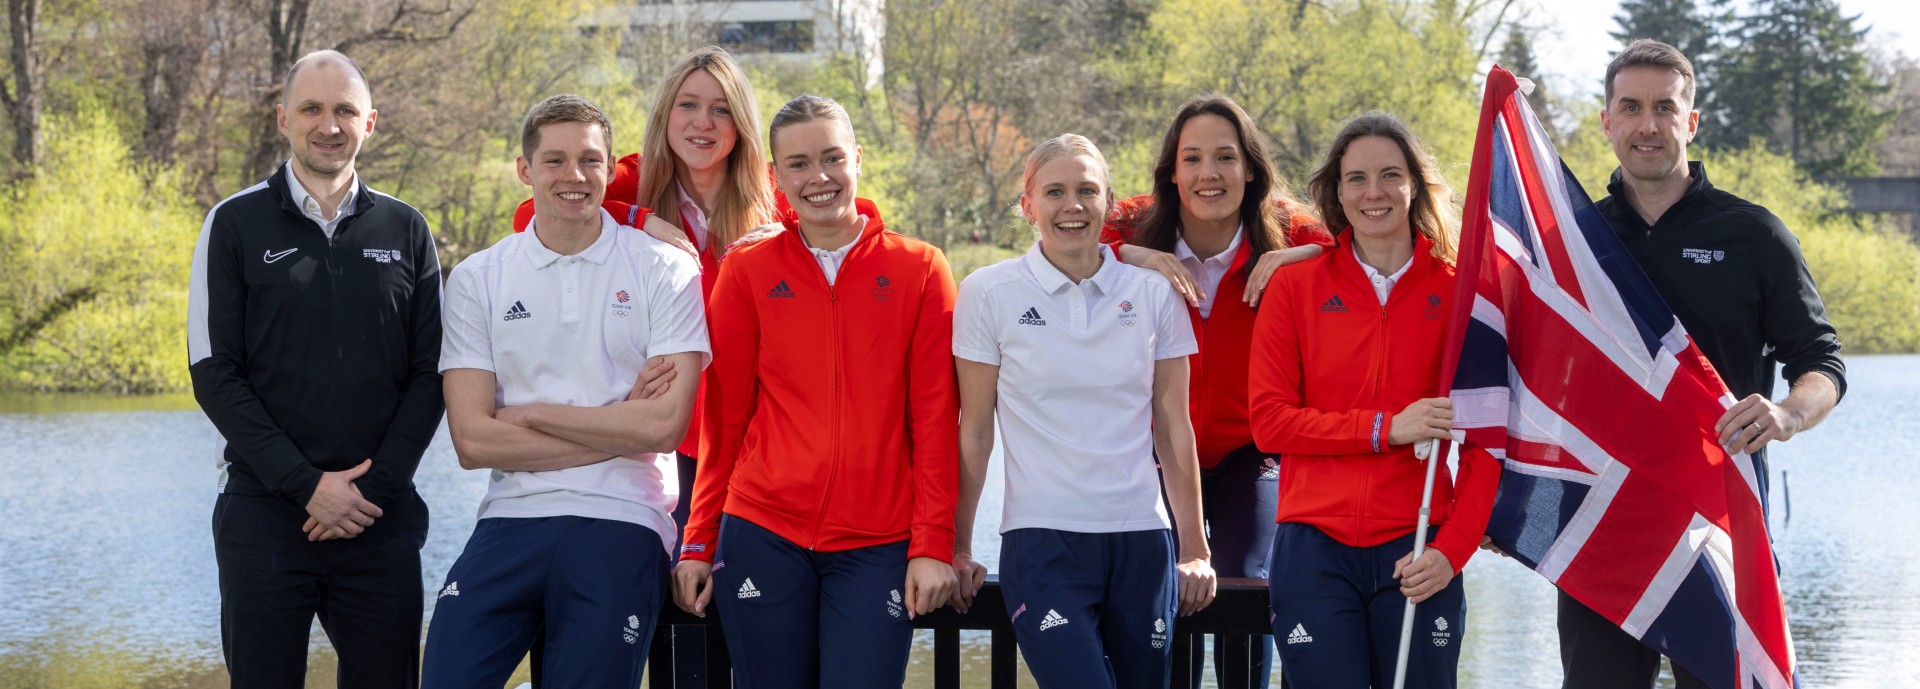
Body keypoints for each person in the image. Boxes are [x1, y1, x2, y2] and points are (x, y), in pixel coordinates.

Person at [1556, 39, 1846, 689]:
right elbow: (1532, 378)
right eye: (1630, 107)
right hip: (1604, 525)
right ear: (1607, 121)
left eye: (1666, 107)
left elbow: (1823, 361)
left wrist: (1787, 412)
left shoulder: (1754, 235)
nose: (1647, 124)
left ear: (1690, 121)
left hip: (1720, 522)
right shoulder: (1574, 243)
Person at [671, 94, 960, 689]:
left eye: (831, 157)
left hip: (877, 542)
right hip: (761, 531)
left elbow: (935, 420)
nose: (818, 177)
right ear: (776, 178)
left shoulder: (922, 269)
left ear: (858, 158)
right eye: (798, 164)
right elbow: (724, 420)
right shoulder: (747, 271)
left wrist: (934, 543)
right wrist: (698, 540)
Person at [420, 93, 708, 688]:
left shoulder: (666, 269)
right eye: (554, 161)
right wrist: (619, 421)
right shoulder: (480, 277)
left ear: (610, 169)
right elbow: (473, 442)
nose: (573, 177)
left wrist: (531, 416)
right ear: (525, 170)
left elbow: (663, 428)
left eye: (589, 161)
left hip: (625, 516)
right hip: (511, 516)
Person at [188, 49, 443, 688]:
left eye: (344, 111)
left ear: (370, 122)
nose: (328, 126)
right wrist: (306, 485)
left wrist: (370, 491)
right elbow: (213, 372)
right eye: (312, 109)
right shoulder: (233, 224)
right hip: (264, 516)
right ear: (283, 118)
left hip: (378, 517)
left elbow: (432, 373)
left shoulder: (407, 228)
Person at [950, 133, 1217, 689]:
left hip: (1142, 537)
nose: (1072, 206)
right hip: (1042, 540)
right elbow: (975, 432)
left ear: (1108, 204)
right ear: (1028, 205)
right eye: (1055, 191)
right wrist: (958, 545)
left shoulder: (1153, 293)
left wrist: (1193, 546)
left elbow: (1173, 429)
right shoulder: (987, 292)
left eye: (1087, 191)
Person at [1248, 112, 1498, 689]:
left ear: (1416, 184)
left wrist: (1452, 551)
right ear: (1337, 191)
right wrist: (1387, 428)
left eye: (1390, 175)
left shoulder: (1463, 294)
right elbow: (1271, 424)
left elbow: (1490, 442)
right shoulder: (1294, 287)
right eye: (1356, 178)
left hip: (1418, 544)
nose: (1374, 192)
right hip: (1315, 546)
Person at [1102, 94, 1334, 687]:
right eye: (1193, 159)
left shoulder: (1287, 231)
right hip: (1152, 448)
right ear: (1173, 173)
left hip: (1249, 449)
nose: (1209, 173)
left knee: (1245, 577)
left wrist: (1297, 257)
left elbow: (1365, 236)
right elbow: (1068, 229)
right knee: (1162, 583)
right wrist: (1130, 255)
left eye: (1225, 157)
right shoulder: (1133, 224)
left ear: (1250, 168)